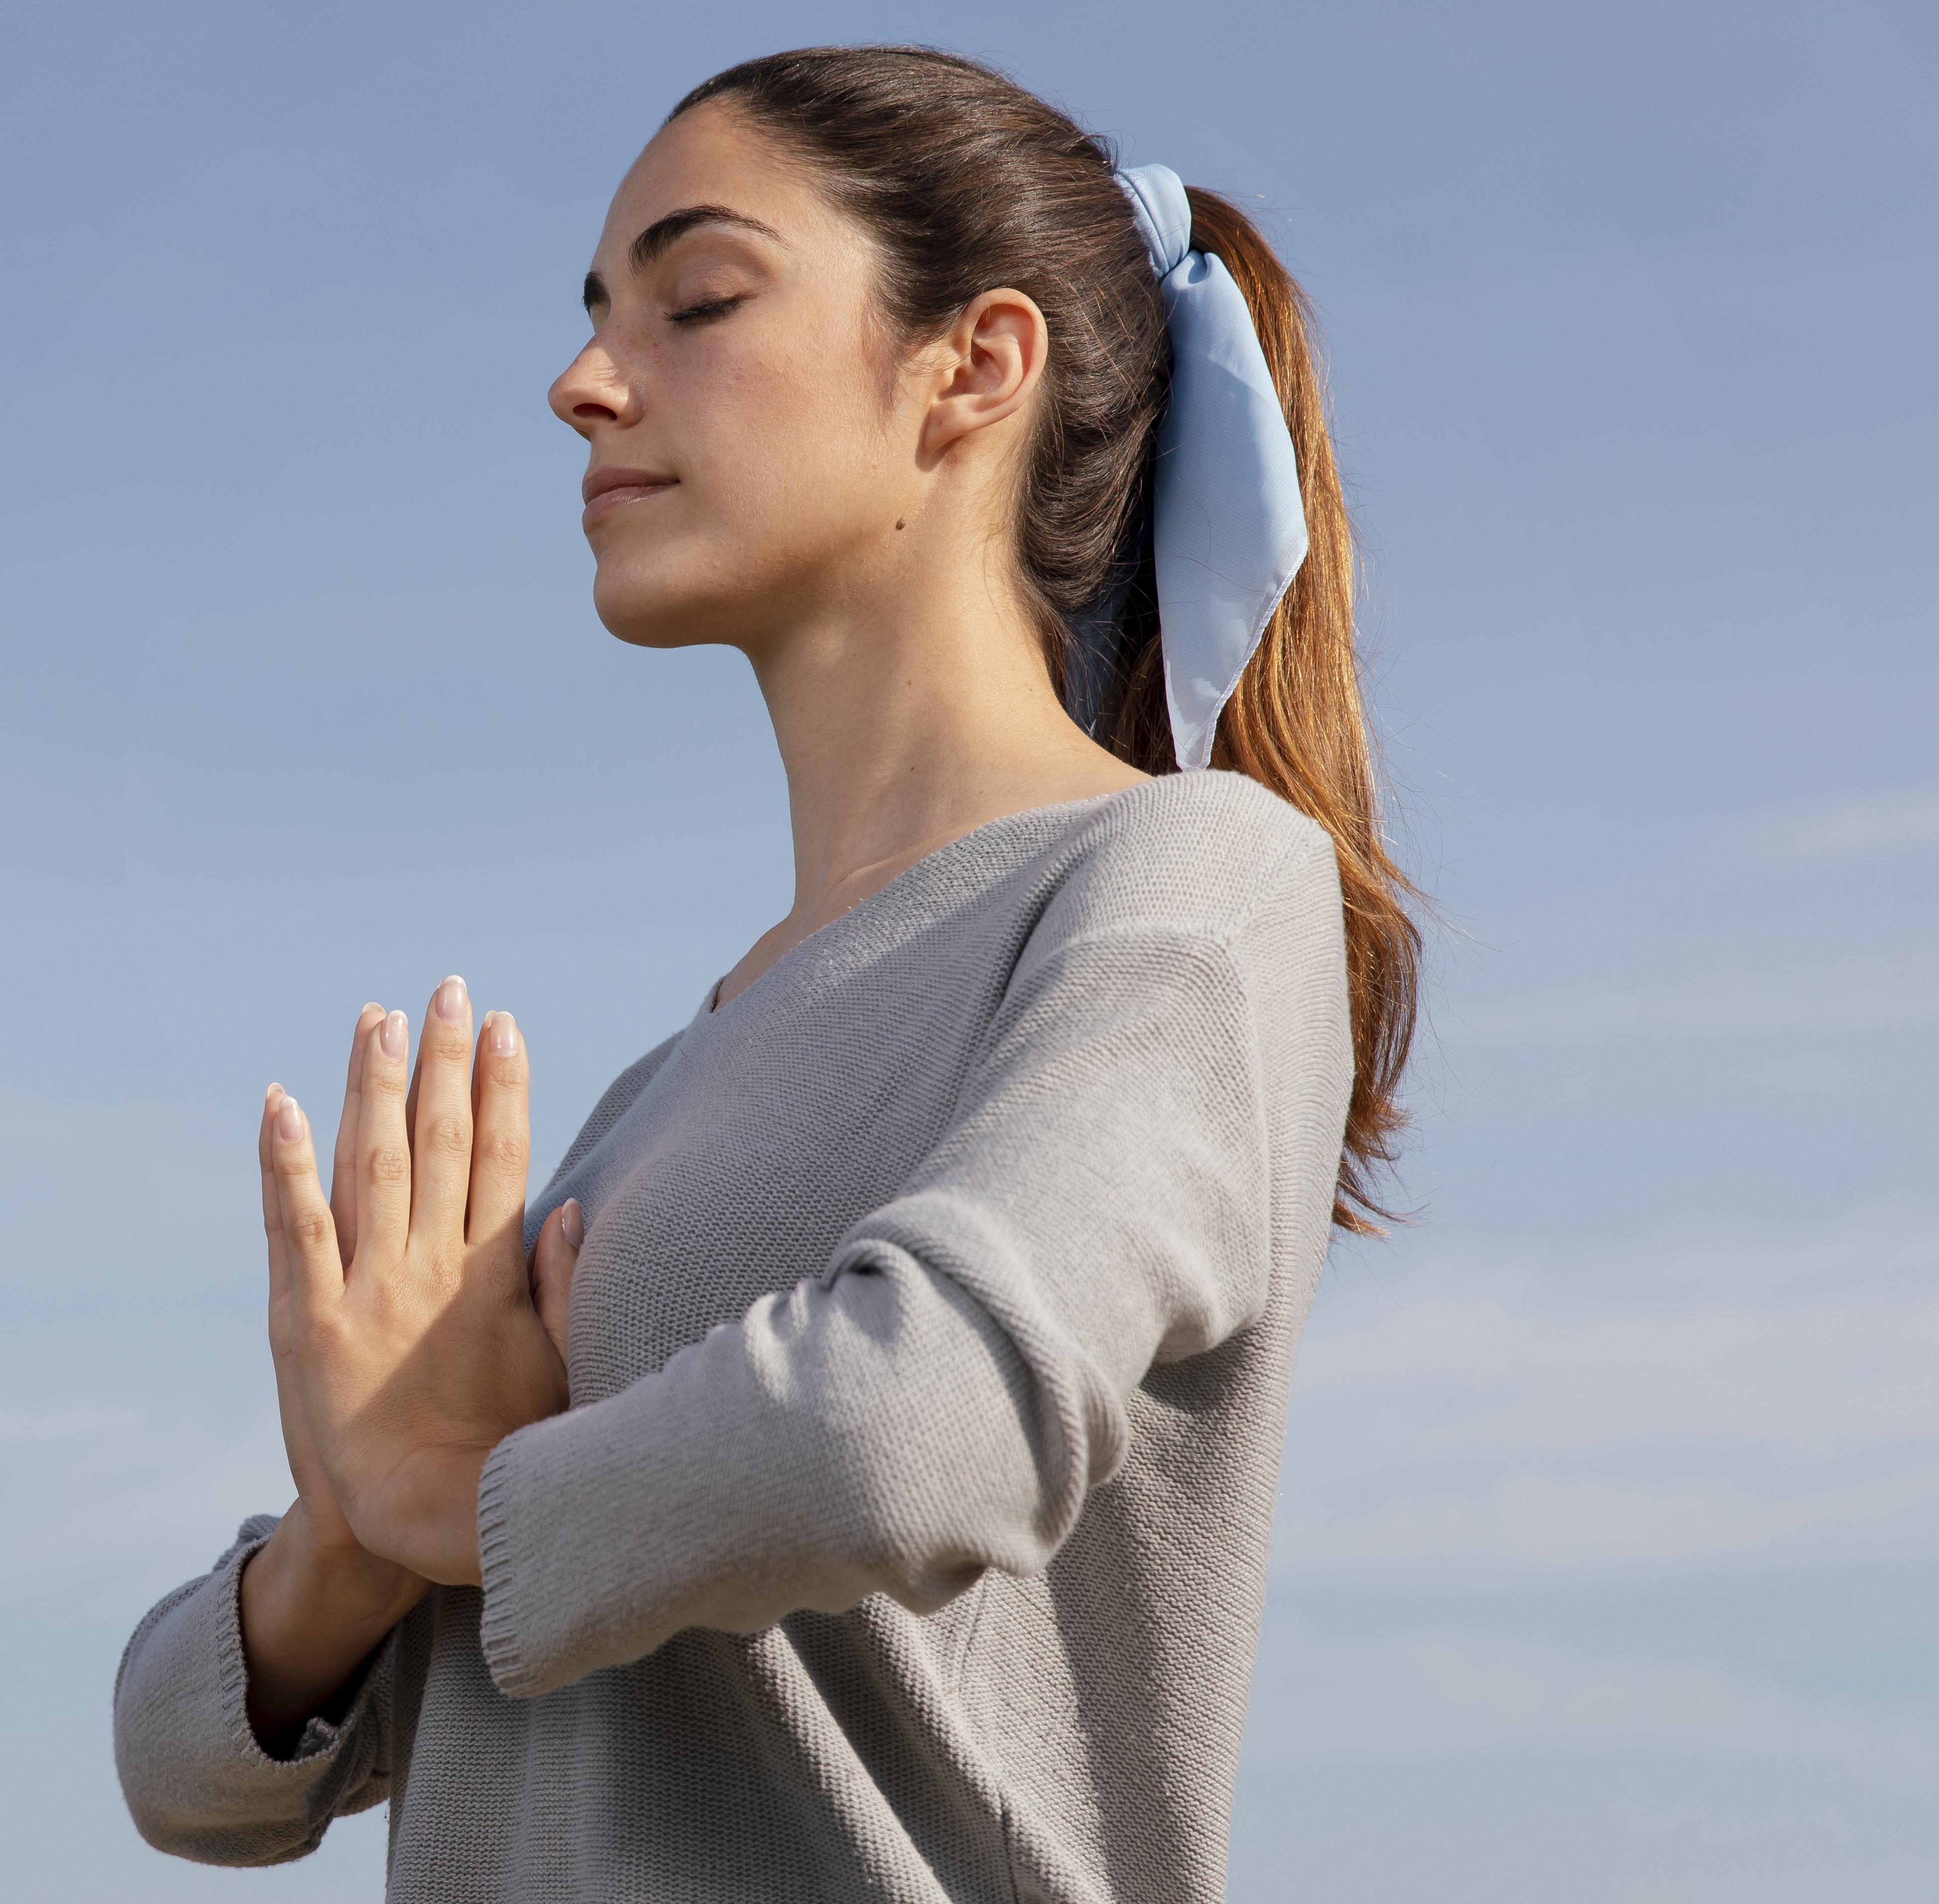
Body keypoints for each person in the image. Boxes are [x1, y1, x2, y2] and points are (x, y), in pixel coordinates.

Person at [111, 43, 1419, 1904]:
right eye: (595, 317)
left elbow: (912, 1427)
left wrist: (455, 1502)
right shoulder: (663, 1100)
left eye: (698, 298)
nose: (584, 383)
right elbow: (186, 1767)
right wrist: (352, 1533)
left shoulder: (1187, 883)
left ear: (973, 366)